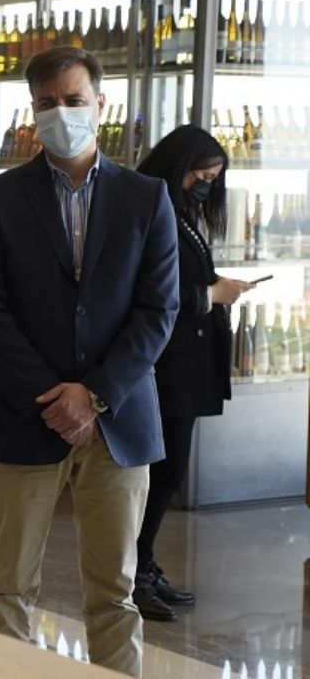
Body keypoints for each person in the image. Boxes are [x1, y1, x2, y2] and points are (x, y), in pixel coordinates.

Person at [0, 46, 179, 677]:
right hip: (26, 417)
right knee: (7, 590)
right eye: (48, 104)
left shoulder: (146, 197)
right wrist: (55, 399)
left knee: (115, 592)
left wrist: (96, 395)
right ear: (32, 113)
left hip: (120, 419)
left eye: (74, 101)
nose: (62, 113)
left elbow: (157, 311)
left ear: (100, 105)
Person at [132, 125, 253, 622]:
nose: (206, 185)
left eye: (214, 178)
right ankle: (134, 574)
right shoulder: (150, 208)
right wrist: (211, 295)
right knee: (161, 473)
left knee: (169, 470)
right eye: (201, 174)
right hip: (163, 365)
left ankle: (143, 565)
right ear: (179, 164)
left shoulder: (178, 212)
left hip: (185, 361)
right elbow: (152, 297)